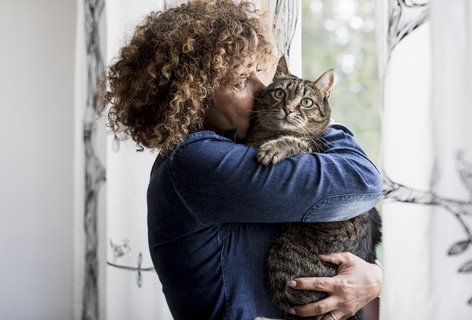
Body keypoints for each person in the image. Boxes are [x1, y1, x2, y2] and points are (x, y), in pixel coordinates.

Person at [102, 0, 383, 319]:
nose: (264, 89)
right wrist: (316, 122)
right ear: (194, 97)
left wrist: (374, 277)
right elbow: (363, 182)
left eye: (257, 73)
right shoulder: (195, 162)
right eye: (242, 80)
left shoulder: (223, 153)